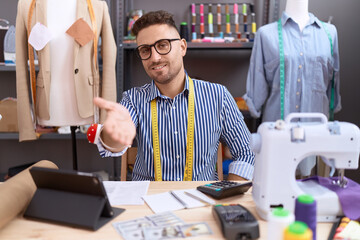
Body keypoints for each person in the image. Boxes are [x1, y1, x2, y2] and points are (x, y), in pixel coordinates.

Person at [94, 10, 255, 181]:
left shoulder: (218, 97)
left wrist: (226, 196)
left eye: (163, 45)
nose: (154, 57)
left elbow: (246, 153)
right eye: (145, 50)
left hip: (200, 202)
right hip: (148, 202)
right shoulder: (132, 100)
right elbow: (113, 146)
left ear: (182, 47)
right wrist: (112, 135)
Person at [243, 0, 341, 176]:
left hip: (317, 132)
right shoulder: (265, 34)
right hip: (278, 132)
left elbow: (333, 83)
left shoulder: (330, 33)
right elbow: (257, 85)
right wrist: (253, 106)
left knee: (315, 191)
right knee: (277, 194)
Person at [15, 0, 116, 142]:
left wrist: (107, 119)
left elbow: (109, 59)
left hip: (87, 104)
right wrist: (26, 126)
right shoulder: (26, 6)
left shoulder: (97, 5)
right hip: (49, 105)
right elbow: (20, 62)